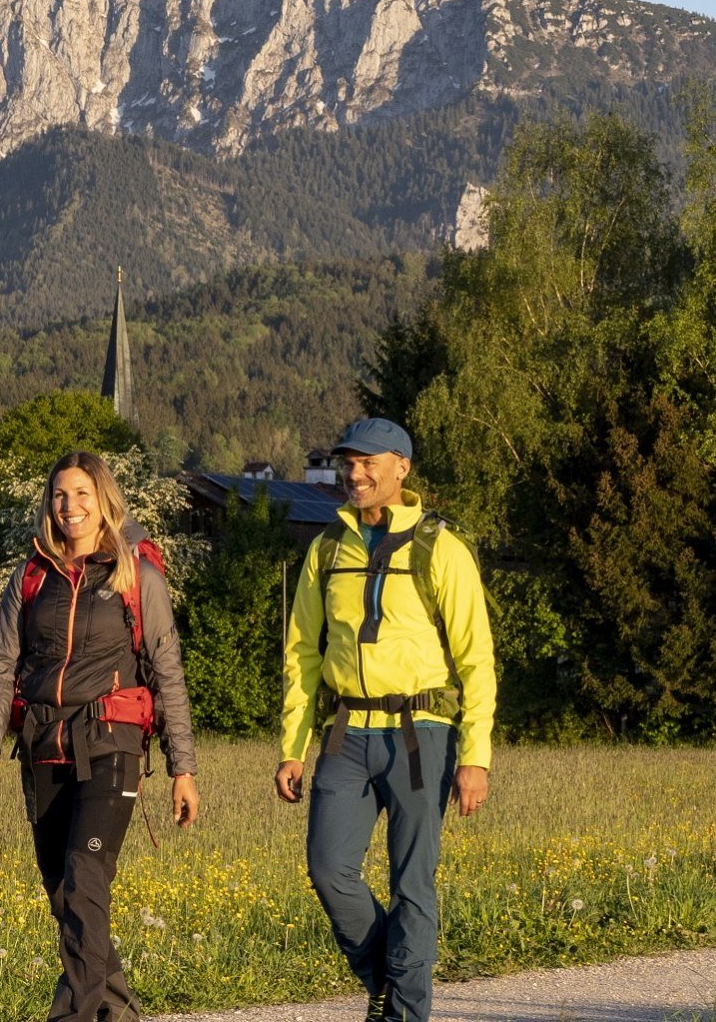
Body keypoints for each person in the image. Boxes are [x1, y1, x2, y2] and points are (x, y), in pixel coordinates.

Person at [273, 418, 496, 1022]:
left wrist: (475, 757)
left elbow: (476, 659)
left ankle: (405, 1013)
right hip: (345, 734)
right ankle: (382, 977)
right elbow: (302, 654)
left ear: (402, 468)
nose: (355, 472)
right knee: (328, 869)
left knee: (413, 886)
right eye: (348, 461)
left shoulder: (441, 548)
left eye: (369, 461)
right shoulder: (327, 548)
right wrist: (293, 746)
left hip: (421, 734)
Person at [0, 450, 200, 1022]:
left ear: (104, 503)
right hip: (45, 746)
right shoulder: (30, 577)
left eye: (81, 495)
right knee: (65, 894)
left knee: (84, 881)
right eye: (59, 495)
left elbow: (166, 671)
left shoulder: (136, 576)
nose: (69, 507)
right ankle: (118, 1012)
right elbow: (2, 664)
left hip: (111, 744)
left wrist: (182, 768)